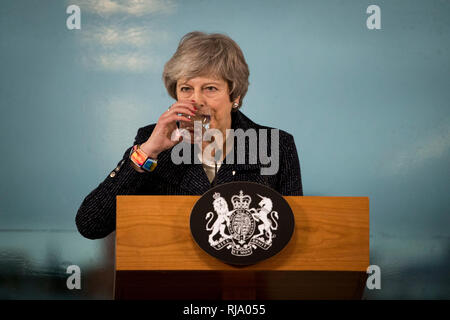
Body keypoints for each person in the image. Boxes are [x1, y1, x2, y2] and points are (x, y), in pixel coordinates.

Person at [76, 31, 303, 240]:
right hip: (171, 281)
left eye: (210, 88)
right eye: (186, 89)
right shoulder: (151, 141)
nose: (196, 100)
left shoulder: (275, 145)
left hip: (247, 280)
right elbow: (91, 224)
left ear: (234, 94)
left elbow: (293, 233)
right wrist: (148, 151)